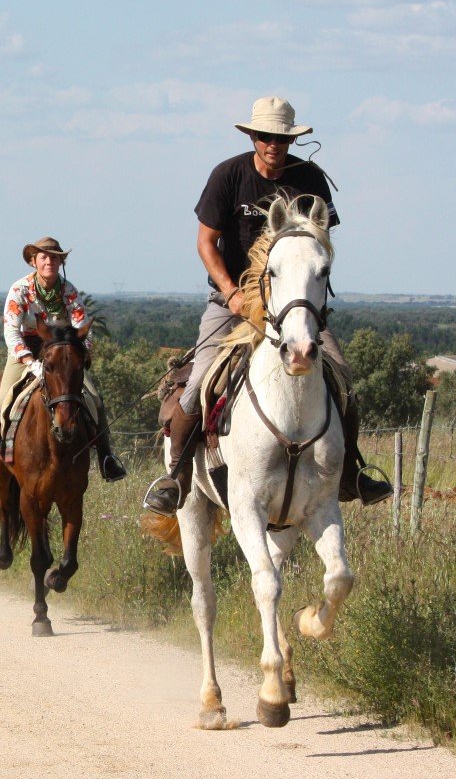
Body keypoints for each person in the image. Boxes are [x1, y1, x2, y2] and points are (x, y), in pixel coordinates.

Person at [142, 95, 393, 516]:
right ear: (253, 137)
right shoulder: (228, 175)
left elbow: (321, 244)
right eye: (265, 136)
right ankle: (176, 477)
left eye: (281, 137)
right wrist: (232, 292)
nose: (273, 144)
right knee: (200, 378)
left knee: (342, 379)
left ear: (291, 139)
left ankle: (351, 472)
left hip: (293, 303)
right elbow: (206, 242)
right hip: (233, 301)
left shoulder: (310, 180)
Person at [0, 236, 128, 484]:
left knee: (94, 398)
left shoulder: (69, 291)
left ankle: (107, 458)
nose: (49, 261)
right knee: (3, 397)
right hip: (25, 350)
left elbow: (84, 327)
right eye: (44, 257)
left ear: (60, 261)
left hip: (61, 352)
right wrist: (30, 361)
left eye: (54, 257)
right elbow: (11, 330)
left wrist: (80, 352)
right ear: (34, 262)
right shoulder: (19, 290)